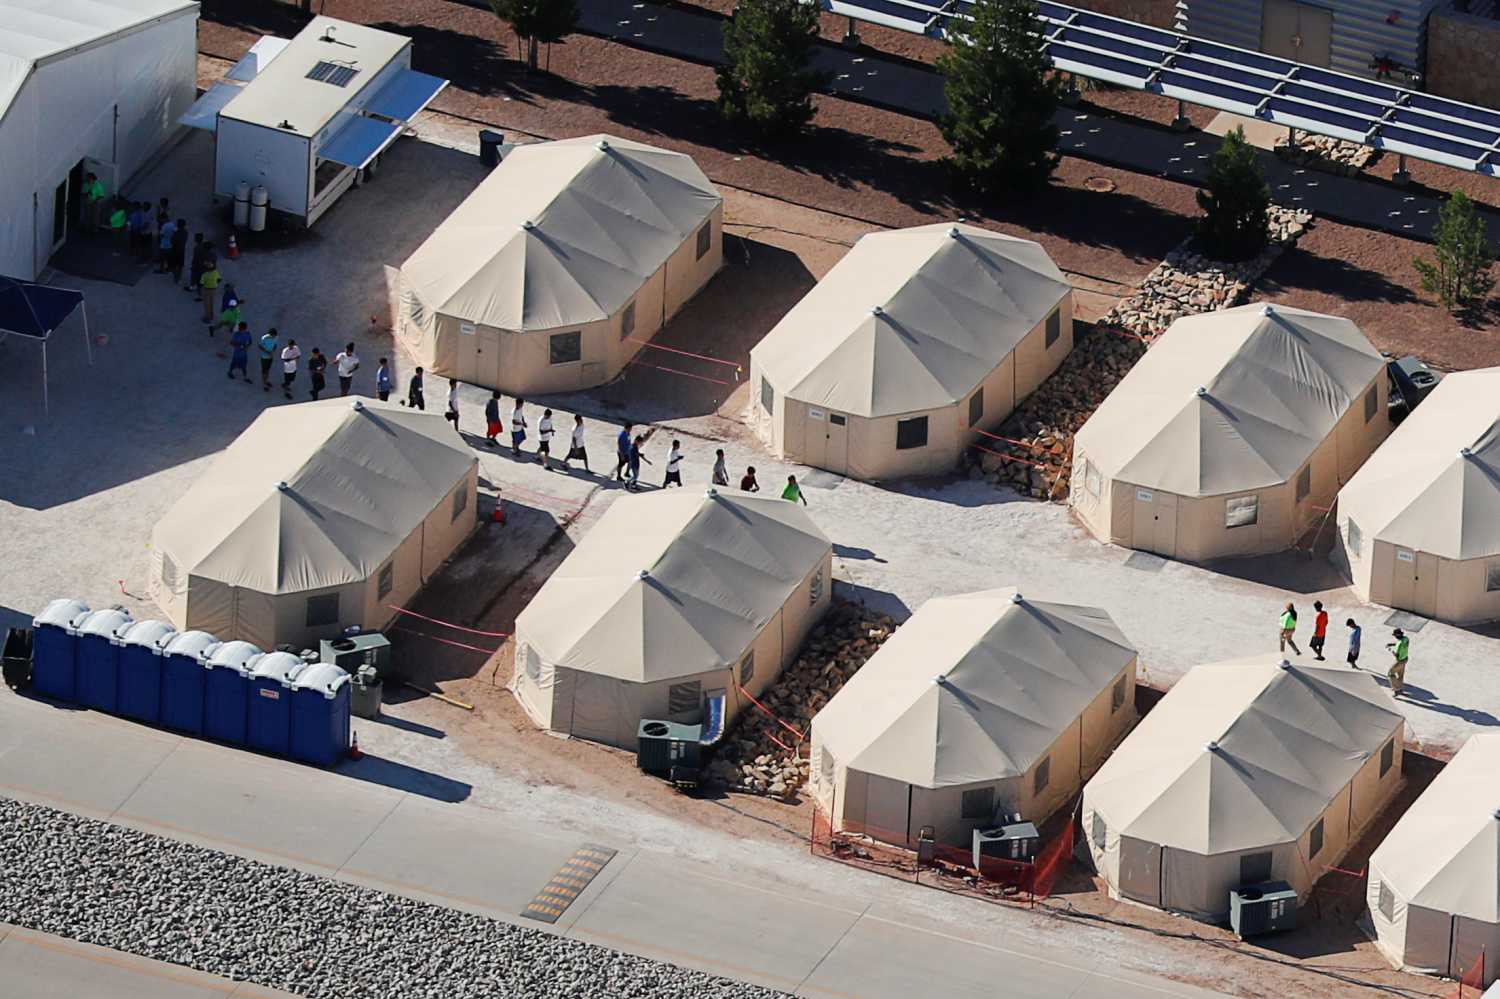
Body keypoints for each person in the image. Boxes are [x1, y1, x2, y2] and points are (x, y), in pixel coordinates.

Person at [1386, 629, 1410, 696]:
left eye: (1395, 635)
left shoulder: (1399, 644)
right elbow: (1400, 643)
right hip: (1405, 659)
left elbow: (1396, 655)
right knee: (1400, 675)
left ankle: (1397, 689)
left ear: (1398, 635)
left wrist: (1389, 649)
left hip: (1399, 661)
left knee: (1390, 674)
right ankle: (1400, 689)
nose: (1395, 637)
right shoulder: (1406, 639)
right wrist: (1392, 644)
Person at [199, 260, 222, 326]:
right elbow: (219, 279)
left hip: (206, 290)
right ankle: (211, 316)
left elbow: (201, 283)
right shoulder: (215, 272)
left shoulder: (204, 275)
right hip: (214, 289)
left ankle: (207, 317)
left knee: (206, 304)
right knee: (211, 302)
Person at [257, 328, 279, 392]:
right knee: (264, 371)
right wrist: (267, 352)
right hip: (264, 357)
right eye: (273, 336)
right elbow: (260, 346)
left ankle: (266, 381)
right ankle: (264, 384)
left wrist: (273, 351)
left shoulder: (276, 337)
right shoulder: (264, 338)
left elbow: (275, 345)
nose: (274, 337)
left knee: (268, 370)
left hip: (270, 357)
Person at [168, 220, 188, 285]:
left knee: (175, 264)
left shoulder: (176, 233)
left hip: (175, 250)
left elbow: (172, 241)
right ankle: (178, 277)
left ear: (177, 225)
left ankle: (176, 277)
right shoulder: (185, 232)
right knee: (180, 265)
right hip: (182, 250)